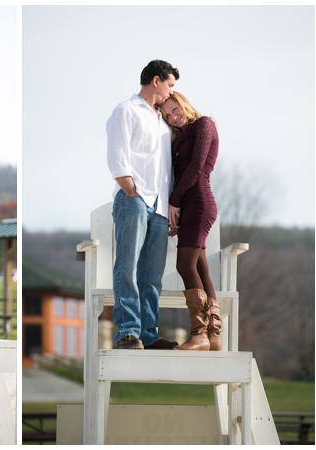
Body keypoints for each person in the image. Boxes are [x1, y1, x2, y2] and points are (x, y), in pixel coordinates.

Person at [105, 59, 179, 350]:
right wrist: (129, 187)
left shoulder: (162, 120)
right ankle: (127, 332)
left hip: (160, 206)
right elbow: (117, 151)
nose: (171, 91)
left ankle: (148, 334)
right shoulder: (126, 110)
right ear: (156, 81)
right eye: (170, 84)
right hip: (134, 200)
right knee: (127, 266)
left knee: (152, 275)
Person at [160, 92, 221, 351]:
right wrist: (176, 210)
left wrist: (174, 200)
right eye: (167, 116)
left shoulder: (204, 124)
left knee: (185, 264)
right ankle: (214, 335)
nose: (174, 117)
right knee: (199, 266)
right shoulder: (178, 136)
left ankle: (199, 334)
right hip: (187, 205)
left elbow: (196, 167)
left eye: (175, 110)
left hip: (199, 201)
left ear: (183, 103)